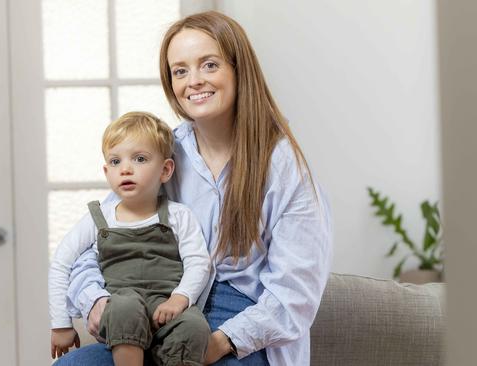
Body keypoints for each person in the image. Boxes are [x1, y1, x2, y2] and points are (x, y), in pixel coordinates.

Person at [55, 11, 332, 366]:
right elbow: (92, 244)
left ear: (238, 69)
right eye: (180, 71)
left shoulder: (284, 166)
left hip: (242, 332)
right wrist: (96, 301)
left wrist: (217, 343)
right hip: (161, 314)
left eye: (209, 65)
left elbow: (295, 296)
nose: (194, 81)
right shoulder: (164, 155)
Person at [48, 112, 212, 365]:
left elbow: (199, 262)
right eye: (115, 162)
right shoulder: (98, 218)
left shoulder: (179, 215)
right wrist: (60, 324)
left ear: (166, 170)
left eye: (140, 159)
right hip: (119, 309)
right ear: (106, 171)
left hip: (165, 306)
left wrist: (180, 298)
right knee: (125, 306)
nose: (125, 169)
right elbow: (61, 263)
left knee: (194, 326)